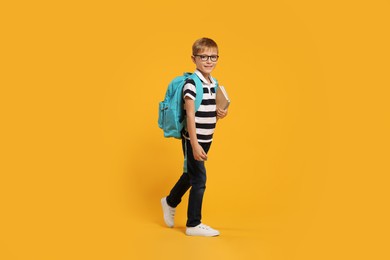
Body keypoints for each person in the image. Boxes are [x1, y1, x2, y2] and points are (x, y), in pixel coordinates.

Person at [161, 37, 228, 236]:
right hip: (194, 139)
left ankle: (170, 201)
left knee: (191, 175)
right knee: (199, 179)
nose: (209, 60)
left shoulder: (213, 82)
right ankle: (193, 224)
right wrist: (195, 144)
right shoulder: (191, 84)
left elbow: (206, 111)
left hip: (207, 138)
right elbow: (190, 114)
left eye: (213, 57)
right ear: (194, 58)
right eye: (204, 56)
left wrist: (220, 113)